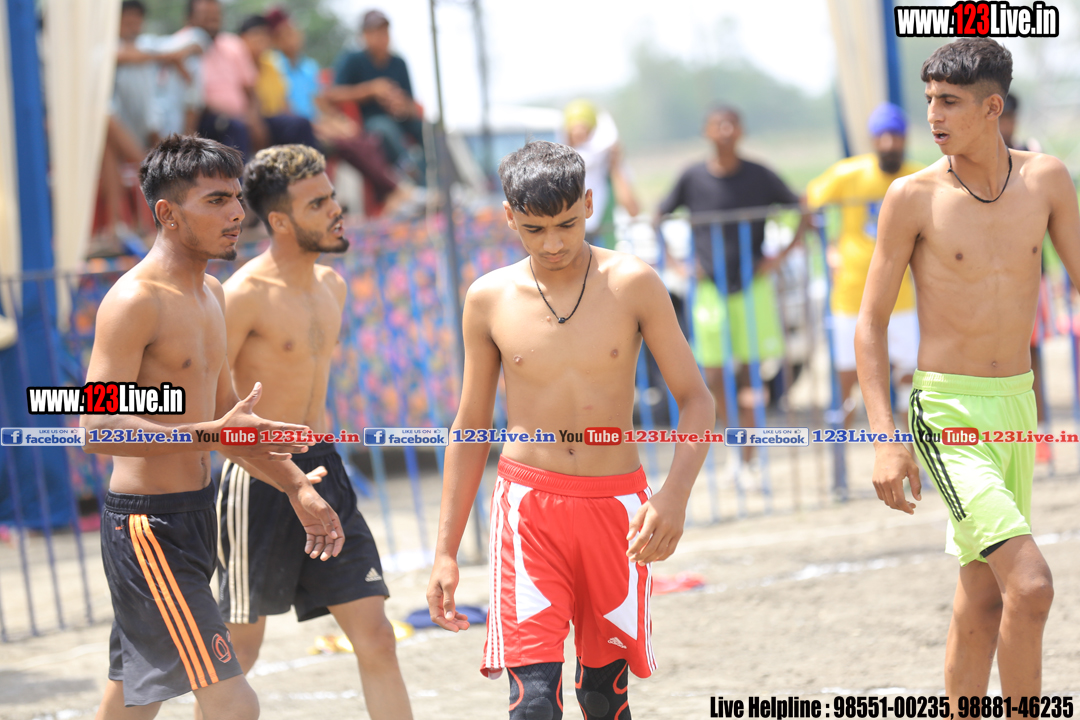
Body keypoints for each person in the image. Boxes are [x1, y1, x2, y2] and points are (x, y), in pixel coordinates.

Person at [426, 140, 714, 719]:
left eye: (566, 224)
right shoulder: (487, 298)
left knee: (604, 699)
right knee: (533, 703)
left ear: (588, 204)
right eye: (534, 229)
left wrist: (675, 496)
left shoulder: (633, 282)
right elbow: (471, 426)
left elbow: (696, 401)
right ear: (509, 217)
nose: (553, 244)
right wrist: (445, 553)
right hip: (528, 511)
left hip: (619, 513)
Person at [81, 134, 345, 719]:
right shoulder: (133, 301)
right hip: (148, 529)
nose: (236, 213)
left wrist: (296, 486)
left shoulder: (211, 293)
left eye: (236, 198)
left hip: (196, 517)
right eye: (216, 200)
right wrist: (207, 433)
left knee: (132, 700)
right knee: (234, 703)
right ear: (168, 214)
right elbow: (95, 427)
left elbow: (229, 421)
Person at [857, 38, 1078, 699]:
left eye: (949, 102)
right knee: (1030, 585)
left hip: (1016, 406)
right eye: (929, 100)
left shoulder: (1048, 180)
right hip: (946, 412)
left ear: (992, 108)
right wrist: (885, 437)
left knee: (982, 594)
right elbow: (870, 324)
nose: (933, 115)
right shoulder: (912, 195)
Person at [210, 144, 413, 720]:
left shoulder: (332, 286)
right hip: (258, 476)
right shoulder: (243, 295)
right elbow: (212, 408)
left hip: (324, 464)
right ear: (280, 221)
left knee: (377, 636)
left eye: (331, 197)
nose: (335, 209)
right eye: (317, 203)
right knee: (238, 653)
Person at [657, 106, 807, 451]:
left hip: (752, 286)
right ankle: (738, 442)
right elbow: (659, 215)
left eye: (731, 124)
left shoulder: (759, 174)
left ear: (741, 131)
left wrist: (779, 257)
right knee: (712, 373)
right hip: (709, 287)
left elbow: (801, 207)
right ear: (706, 132)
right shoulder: (692, 176)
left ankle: (750, 451)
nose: (725, 130)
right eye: (717, 125)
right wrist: (676, 263)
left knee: (751, 373)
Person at [806, 102, 923, 429]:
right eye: (882, 136)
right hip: (852, 292)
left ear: (904, 138)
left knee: (908, 379)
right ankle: (843, 453)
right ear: (872, 140)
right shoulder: (849, 174)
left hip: (900, 295)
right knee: (847, 378)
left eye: (895, 136)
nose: (889, 143)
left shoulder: (918, 175)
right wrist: (827, 246)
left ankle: (908, 448)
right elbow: (808, 202)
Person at [266, 6, 413, 213]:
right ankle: (394, 190)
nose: (295, 38)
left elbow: (321, 104)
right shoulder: (274, 66)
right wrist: (322, 127)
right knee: (352, 141)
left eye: (295, 32)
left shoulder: (308, 67)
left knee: (361, 138)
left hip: (319, 127)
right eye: (287, 34)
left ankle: (392, 193)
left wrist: (339, 122)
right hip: (299, 130)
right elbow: (285, 109)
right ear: (275, 39)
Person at [195, 0, 317, 160]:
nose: (212, 20)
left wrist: (255, 120)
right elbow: (195, 100)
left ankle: (309, 173)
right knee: (237, 128)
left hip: (246, 116)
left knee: (299, 124)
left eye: (215, 16)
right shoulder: (184, 47)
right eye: (206, 16)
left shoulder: (231, 46)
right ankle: (240, 177)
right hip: (213, 118)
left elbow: (250, 91)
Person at [1000, 93, 1051, 465]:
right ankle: (1009, 436)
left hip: (1031, 275)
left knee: (1033, 356)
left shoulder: (1032, 154)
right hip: (995, 275)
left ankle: (1041, 435)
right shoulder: (973, 162)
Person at [330, 9, 425, 183]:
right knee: (384, 128)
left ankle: (436, 176)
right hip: (368, 122)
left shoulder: (399, 63)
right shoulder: (353, 60)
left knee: (428, 130)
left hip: (400, 120)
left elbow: (412, 105)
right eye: (376, 32)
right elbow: (333, 94)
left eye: (385, 32)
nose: (382, 37)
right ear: (365, 35)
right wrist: (371, 90)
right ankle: (411, 178)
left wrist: (402, 105)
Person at [562, 99, 640, 249]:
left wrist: (614, 167)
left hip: (605, 244)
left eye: (584, 131)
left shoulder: (608, 163)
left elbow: (633, 209)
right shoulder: (559, 171)